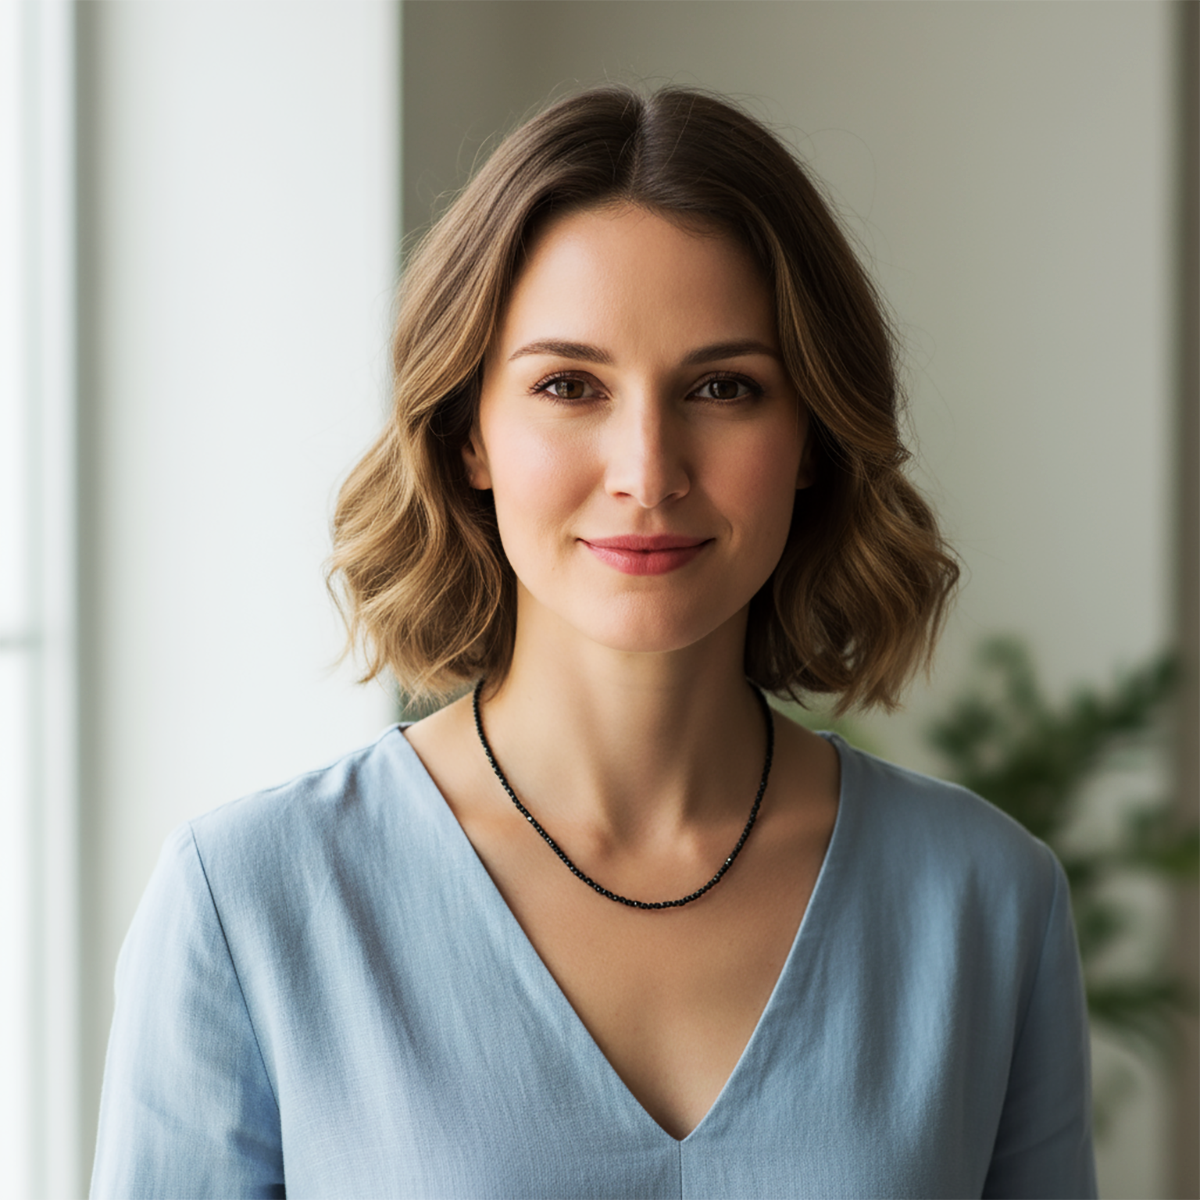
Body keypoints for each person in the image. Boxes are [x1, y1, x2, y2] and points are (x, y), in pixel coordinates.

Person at [90, 85, 1096, 1198]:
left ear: (811, 435)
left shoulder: (987, 900)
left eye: (724, 386)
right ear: (469, 430)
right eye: (569, 385)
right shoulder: (250, 904)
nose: (647, 470)